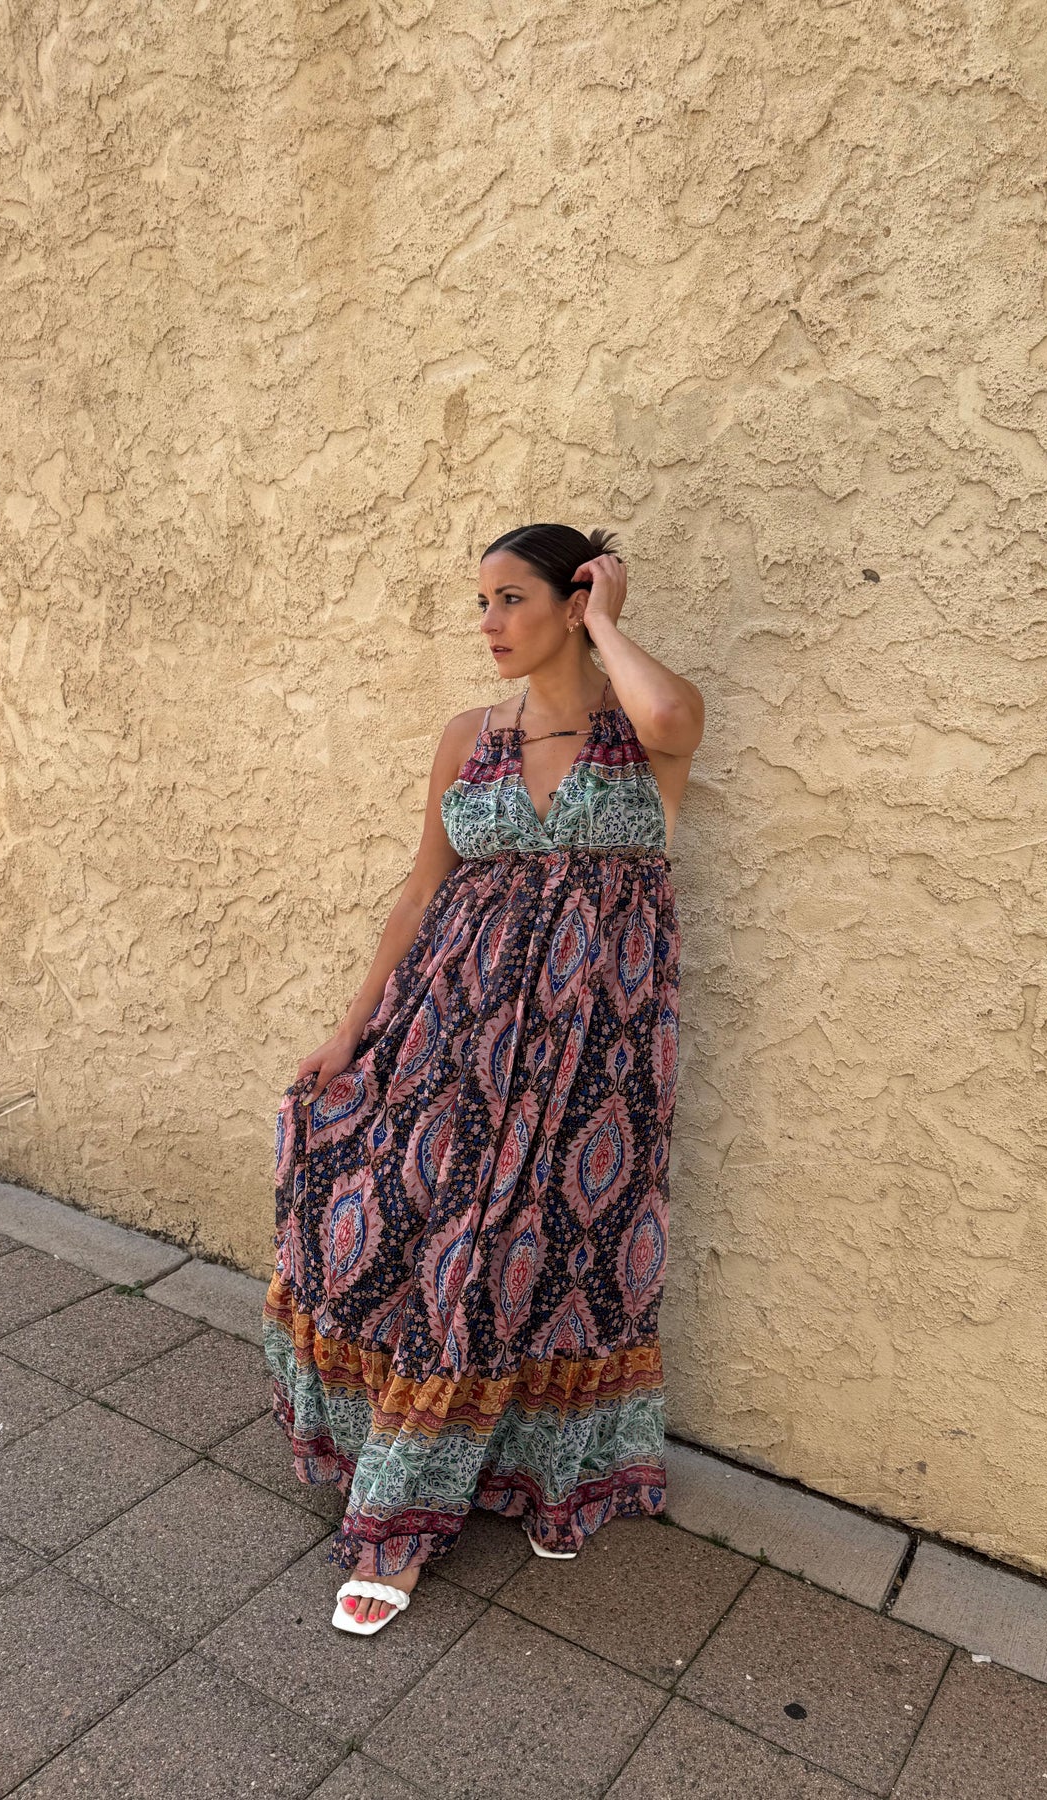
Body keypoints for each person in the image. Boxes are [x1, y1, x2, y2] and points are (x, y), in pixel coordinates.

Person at [263, 523, 704, 1635]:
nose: (490, 623)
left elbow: (669, 718)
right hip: (450, 1025)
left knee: (559, 1250)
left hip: (596, 1042)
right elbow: (423, 888)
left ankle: (549, 1475)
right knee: (428, 1233)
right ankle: (398, 1508)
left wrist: (609, 624)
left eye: (513, 599)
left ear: (573, 602)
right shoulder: (470, 735)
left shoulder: (643, 728)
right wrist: (350, 1030)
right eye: (482, 602)